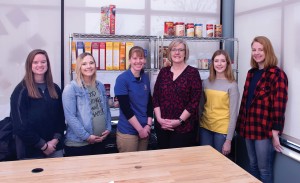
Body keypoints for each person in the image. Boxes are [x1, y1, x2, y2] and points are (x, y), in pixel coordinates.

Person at [236, 36, 288, 183]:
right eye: (254, 50)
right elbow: (245, 102)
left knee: (264, 170)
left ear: (268, 51)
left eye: (260, 49)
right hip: (248, 128)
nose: (256, 53)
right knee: (252, 166)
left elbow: (279, 104)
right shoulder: (251, 73)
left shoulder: (277, 75)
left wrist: (275, 132)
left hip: (264, 130)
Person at [10, 49, 65, 159]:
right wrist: (43, 146)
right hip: (31, 151)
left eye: (43, 62)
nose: (40, 65)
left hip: (55, 148)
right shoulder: (21, 91)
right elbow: (20, 126)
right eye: (35, 62)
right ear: (29, 65)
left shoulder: (55, 89)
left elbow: (60, 119)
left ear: (47, 64)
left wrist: (55, 140)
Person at [152, 38, 202, 149]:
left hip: (184, 129)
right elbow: (155, 97)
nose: (177, 53)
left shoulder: (193, 73)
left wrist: (179, 121)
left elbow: (194, 102)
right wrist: (159, 119)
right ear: (170, 52)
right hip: (162, 127)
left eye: (181, 50)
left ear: (185, 53)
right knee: (163, 160)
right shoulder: (163, 72)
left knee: (180, 163)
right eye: (174, 49)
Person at [62, 52, 111, 156]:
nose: (88, 66)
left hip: (100, 142)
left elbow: (106, 109)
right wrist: (87, 137)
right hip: (79, 145)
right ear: (79, 67)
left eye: (91, 63)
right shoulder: (71, 88)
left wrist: (108, 128)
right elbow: (70, 117)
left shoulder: (100, 86)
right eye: (84, 64)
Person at [199, 50, 240, 156]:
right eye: (216, 61)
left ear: (228, 63)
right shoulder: (206, 82)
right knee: (205, 161)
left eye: (223, 61)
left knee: (220, 164)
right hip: (205, 127)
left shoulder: (232, 85)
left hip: (222, 131)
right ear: (212, 63)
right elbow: (201, 107)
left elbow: (233, 114)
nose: (219, 64)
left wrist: (228, 140)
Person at [114, 46, 153, 152]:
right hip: (128, 132)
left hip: (145, 130)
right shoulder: (122, 79)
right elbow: (126, 109)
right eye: (135, 58)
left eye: (141, 58)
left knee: (142, 165)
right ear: (129, 60)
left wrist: (148, 126)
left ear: (144, 60)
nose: (138, 61)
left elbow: (150, 103)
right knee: (129, 166)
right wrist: (140, 129)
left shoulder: (145, 77)